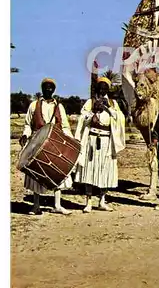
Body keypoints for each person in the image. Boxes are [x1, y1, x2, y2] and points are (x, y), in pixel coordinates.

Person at [19, 78, 74, 215]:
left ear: (54, 90)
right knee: (36, 173)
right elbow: (28, 124)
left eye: (51, 87)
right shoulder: (33, 105)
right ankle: (36, 205)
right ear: (42, 89)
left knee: (58, 172)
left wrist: (70, 140)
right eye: (46, 87)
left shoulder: (59, 106)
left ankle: (57, 205)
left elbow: (65, 125)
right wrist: (25, 135)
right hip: (37, 143)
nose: (48, 89)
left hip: (55, 143)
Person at [74, 77, 125, 213]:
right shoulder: (90, 102)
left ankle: (102, 200)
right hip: (92, 139)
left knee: (105, 170)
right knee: (90, 170)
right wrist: (92, 112)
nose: (102, 90)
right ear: (96, 88)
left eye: (105, 88)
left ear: (108, 90)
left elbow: (120, 118)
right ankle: (89, 202)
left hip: (107, 141)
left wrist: (107, 108)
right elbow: (82, 118)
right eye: (100, 88)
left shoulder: (113, 103)